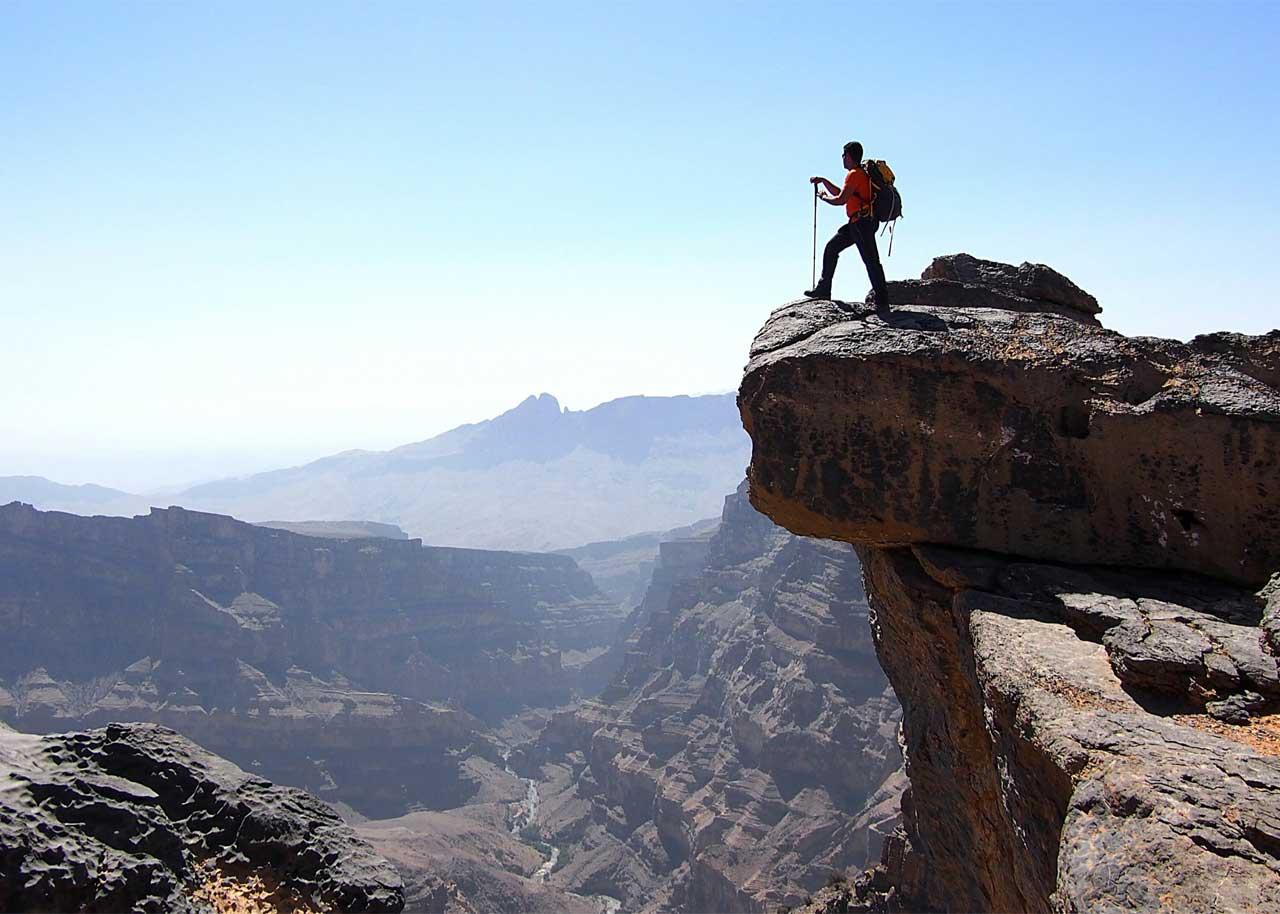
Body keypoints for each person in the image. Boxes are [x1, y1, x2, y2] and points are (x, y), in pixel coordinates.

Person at [806, 141, 890, 310]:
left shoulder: (854, 174)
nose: (842, 158)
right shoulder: (860, 175)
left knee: (871, 261)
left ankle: (882, 301)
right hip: (859, 223)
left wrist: (823, 197)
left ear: (849, 156)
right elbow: (843, 193)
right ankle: (824, 289)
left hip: (861, 223)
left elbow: (840, 200)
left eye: (844, 155)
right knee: (832, 248)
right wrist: (823, 181)